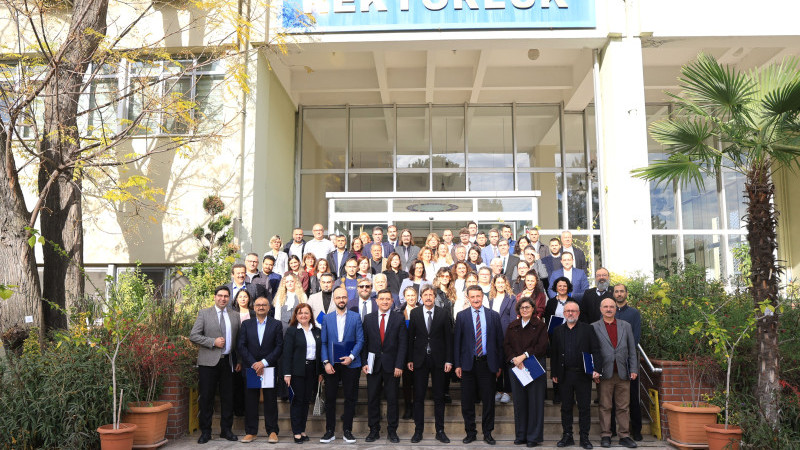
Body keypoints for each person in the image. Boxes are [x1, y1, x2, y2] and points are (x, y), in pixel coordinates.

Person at [454, 285, 504, 445]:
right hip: (468, 365)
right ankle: (470, 433)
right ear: (468, 298)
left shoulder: (493, 316)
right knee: (467, 401)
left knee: (488, 401)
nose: (476, 299)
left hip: (487, 364)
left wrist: (499, 365)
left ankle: (488, 433)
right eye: (472, 297)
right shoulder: (461, 316)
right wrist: (457, 365)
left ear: (483, 297)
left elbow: (499, 343)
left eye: (478, 296)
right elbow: (457, 342)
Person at [190, 286, 241, 444]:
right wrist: (213, 342)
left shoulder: (235, 315)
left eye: (226, 296)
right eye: (220, 295)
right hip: (208, 362)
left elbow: (239, 340)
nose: (223, 299)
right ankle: (206, 432)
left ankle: (226, 430)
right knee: (206, 398)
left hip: (228, 361)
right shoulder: (204, 313)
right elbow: (194, 335)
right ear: (215, 297)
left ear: (229, 298)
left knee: (228, 398)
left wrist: (239, 360)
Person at [550, 300, 602, 450]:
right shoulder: (558, 330)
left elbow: (596, 350)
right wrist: (554, 372)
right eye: (568, 311)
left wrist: (597, 369)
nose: (570, 313)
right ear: (564, 313)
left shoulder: (588, 329)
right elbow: (554, 353)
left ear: (578, 313)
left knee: (584, 407)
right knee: (566, 407)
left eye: (573, 311)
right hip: (564, 375)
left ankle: (584, 437)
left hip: (582, 375)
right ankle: (567, 436)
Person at [407, 285, 453, 444]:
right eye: (425, 295)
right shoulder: (415, 313)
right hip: (419, 359)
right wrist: (410, 359)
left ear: (434, 297)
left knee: (439, 397)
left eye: (431, 295)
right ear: (421, 297)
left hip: (439, 360)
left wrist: (449, 360)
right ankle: (418, 431)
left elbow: (449, 339)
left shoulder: (443, 313)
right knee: (418, 397)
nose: (428, 297)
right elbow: (410, 338)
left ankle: (440, 431)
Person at [319, 287, 365, 444]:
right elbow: (323, 342)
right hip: (331, 364)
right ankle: (329, 431)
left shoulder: (355, 317)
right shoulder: (327, 318)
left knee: (350, 398)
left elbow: (360, 340)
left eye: (344, 297)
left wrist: (351, 357)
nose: (341, 300)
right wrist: (325, 362)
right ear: (334, 299)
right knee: (330, 398)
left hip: (351, 363)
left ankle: (347, 431)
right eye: (338, 297)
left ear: (347, 299)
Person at [362, 289, 407, 443]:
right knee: (372, 398)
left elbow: (403, 344)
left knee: (392, 399)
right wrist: (364, 363)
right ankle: (373, 430)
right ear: (376, 301)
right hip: (373, 365)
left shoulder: (398, 318)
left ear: (392, 301)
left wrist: (399, 365)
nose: (385, 301)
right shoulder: (368, 319)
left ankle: (392, 431)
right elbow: (364, 343)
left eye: (388, 299)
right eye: (382, 299)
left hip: (392, 366)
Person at [592, 297, 639, 449]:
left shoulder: (626, 326)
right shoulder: (593, 327)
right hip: (604, 373)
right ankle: (606, 435)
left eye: (611, 307)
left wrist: (634, 369)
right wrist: (594, 370)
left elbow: (632, 349)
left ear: (615, 309)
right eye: (605, 307)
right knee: (605, 406)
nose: (609, 309)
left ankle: (624, 435)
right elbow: (591, 351)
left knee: (623, 407)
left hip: (623, 373)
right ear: (601, 309)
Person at [237, 297, 283, 444]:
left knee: (270, 401)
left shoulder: (276, 324)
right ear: (254, 307)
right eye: (258, 305)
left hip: (269, 367)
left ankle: (272, 431)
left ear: (269, 308)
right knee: (250, 400)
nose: (261, 307)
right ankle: (251, 432)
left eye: (264, 305)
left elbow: (279, 346)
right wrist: (254, 363)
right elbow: (241, 346)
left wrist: (263, 363)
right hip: (251, 368)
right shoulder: (246, 324)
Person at [504, 297, 549, 447]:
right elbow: (507, 345)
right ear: (518, 309)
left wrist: (524, 356)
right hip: (517, 367)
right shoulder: (512, 326)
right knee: (519, 402)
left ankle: (533, 437)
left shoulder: (540, 325)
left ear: (533, 309)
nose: (524, 310)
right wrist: (514, 359)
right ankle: (521, 435)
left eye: (527, 307)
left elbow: (542, 346)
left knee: (535, 403)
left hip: (534, 365)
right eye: (522, 307)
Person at [282, 303, 322, 444]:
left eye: (306, 313)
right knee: (297, 401)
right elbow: (287, 354)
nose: (303, 315)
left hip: (312, 370)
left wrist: (320, 372)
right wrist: (287, 373)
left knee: (306, 401)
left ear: (310, 315)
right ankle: (297, 432)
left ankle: (302, 430)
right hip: (296, 371)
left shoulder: (317, 331)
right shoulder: (292, 331)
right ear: (296, 315)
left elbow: (319, 352)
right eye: (300, 313)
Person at [610, 284, 643, 442]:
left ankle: (636, 430)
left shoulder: (633, 313)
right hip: (611, 362)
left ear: (626, 294)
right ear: (613, 294)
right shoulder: (609, 311)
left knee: (632, 398)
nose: (619, 294)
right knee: (610, 398)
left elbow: (635, 338)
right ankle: (611, 430)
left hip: (628, 361)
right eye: (616, 291)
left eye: (622, 291)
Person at [488, 274, 517, 405]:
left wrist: (510, 337)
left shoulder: (511, 298)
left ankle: (507, 391)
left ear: (506, 284)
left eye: (502, 282)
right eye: (498, 282)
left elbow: (513, 320)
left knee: (507, 364)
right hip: (492, 335)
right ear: (494, 284)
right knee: (496, 363)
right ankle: (498, 390)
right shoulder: (490, 298)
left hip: (506, 335)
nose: (500, 285)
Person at [231, 289, 255, 417]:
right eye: (240, 297)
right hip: (235, 351)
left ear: (249, 298)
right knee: (237, 382)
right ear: (236, 299)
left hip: (251, 351)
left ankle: (249, 409)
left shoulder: (254, 313)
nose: (243, 299)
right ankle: (238, 409)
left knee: (250, 382)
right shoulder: (232, 313)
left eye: (245, 296)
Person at [399, 286, 420, 420]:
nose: (411, 298)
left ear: (417, 296)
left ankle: (417, 408)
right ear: (404, 297)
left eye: (413, 295)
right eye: (408, 295)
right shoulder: (399, 311)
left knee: (418, 382)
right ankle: (408, 407)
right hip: (405, 351)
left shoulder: (423, 310)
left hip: (419, 350)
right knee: (406, 382)